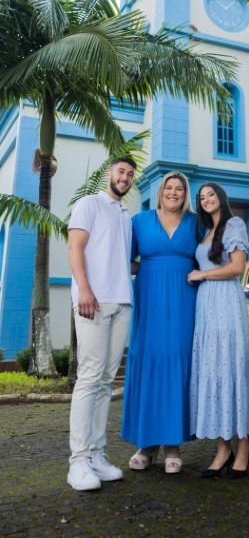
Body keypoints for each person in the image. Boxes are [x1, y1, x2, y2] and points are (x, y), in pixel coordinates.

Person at [67, 155, 137, 492]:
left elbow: (124, 261)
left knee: (107, 381)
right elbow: (75, 247)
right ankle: (78, 460)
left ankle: (96, 453)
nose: (125, 177)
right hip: (93, 300)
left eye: (130, 174)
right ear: (109, 173)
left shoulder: (126, 216)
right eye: (120, 171)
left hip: (122, 302)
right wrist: (83, 289)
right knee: (90, 377)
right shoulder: (89, 204)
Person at [121, 171, 198, 473]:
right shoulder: (139, 221)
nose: (174, 193)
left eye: (179, 189)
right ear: (160, 192)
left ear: (185, 194)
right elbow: (125, 259)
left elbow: (210, 257)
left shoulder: (196, 222)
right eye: (169, 187)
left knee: (178, 363)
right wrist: (148, 270)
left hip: (184, 300)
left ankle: (172, 445)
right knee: (148, 362)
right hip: (150, 297)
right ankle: (146, 444)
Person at [187, 182, 249, 479]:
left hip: (226, 302)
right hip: (206, 307)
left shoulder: (234, 224)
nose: (206, 200)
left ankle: (244, 447)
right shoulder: (205, 233)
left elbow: (237, 267)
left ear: (221, 197)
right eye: (202, 197)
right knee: (212, 370)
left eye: (211, 194)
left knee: (231, 368)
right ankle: (222, 449)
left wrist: (202, 274)